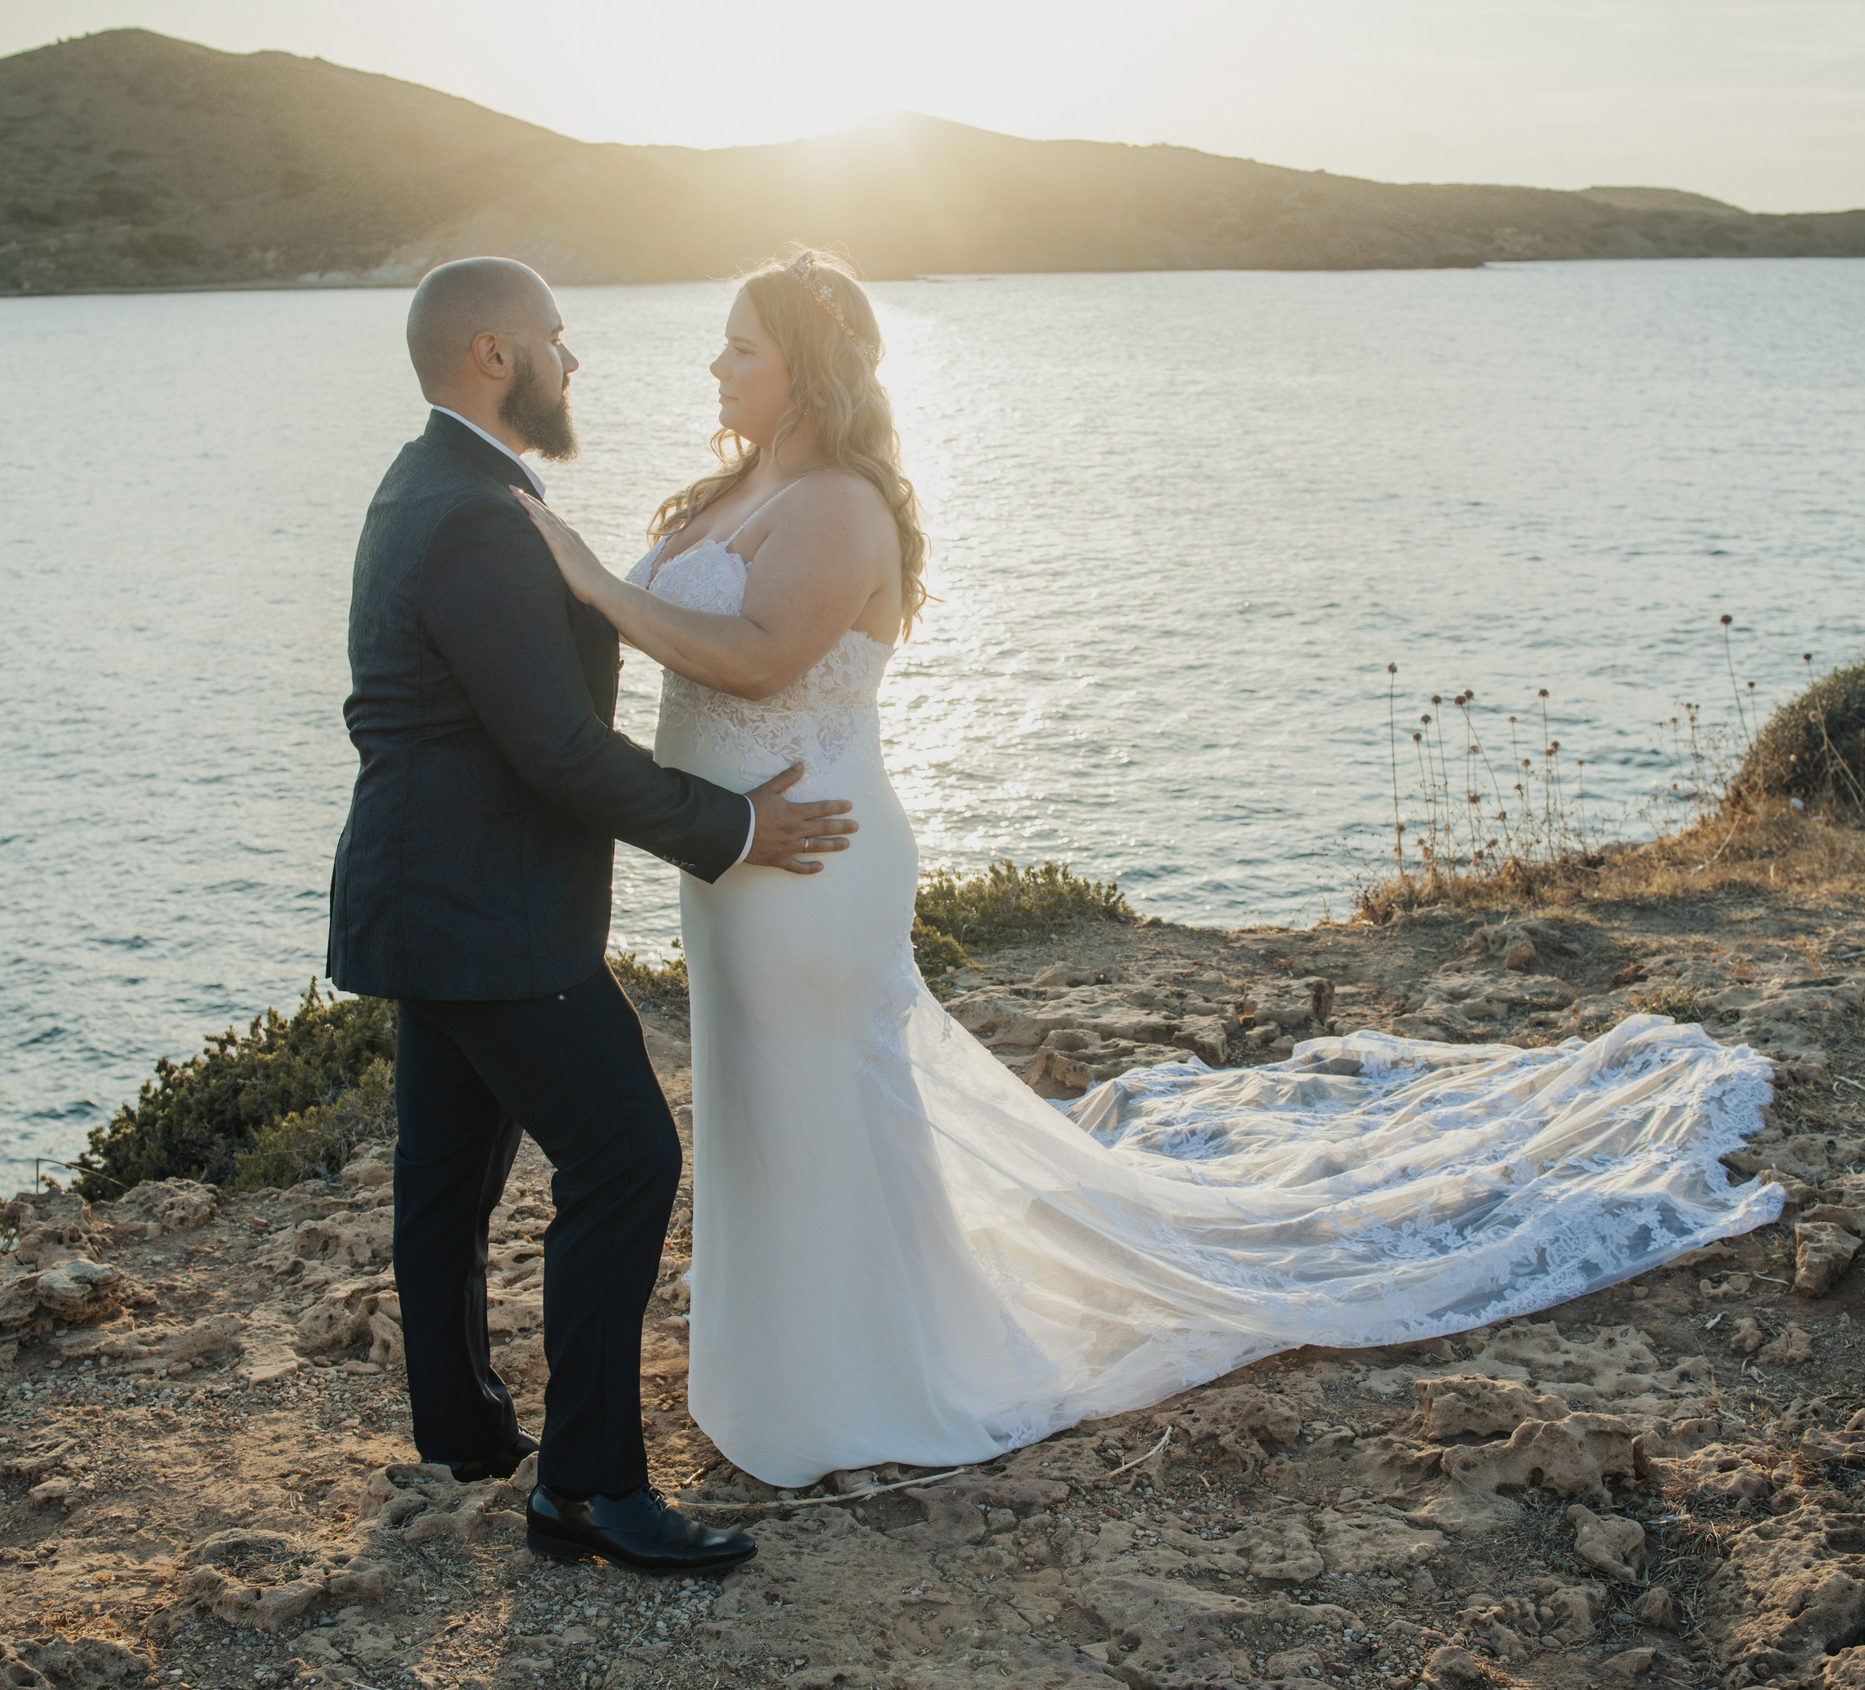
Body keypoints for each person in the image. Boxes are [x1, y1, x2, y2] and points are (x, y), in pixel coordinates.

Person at [513, 247, 1785, 1491]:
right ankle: (781, 1367)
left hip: (814, 855)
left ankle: (862, 1380)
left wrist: (576, 570)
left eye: (742, 345)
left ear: (807, 367)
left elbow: (756, 658)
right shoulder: (719, 494)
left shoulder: (839, 501)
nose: (718, 363)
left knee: (818, 1098)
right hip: (728, 858)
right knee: (761, 1095)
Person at [326, 257, 862, 1574]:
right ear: (497, 354)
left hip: (430, 898)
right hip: (488, 911)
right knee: (626, 1157)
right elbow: (558, 751)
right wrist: (733, 828)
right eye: (561, 340)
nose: (578, 363)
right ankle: (586, 1484)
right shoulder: (473, 513)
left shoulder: (440, 484)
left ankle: (462, 1433)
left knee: (446, 1182)